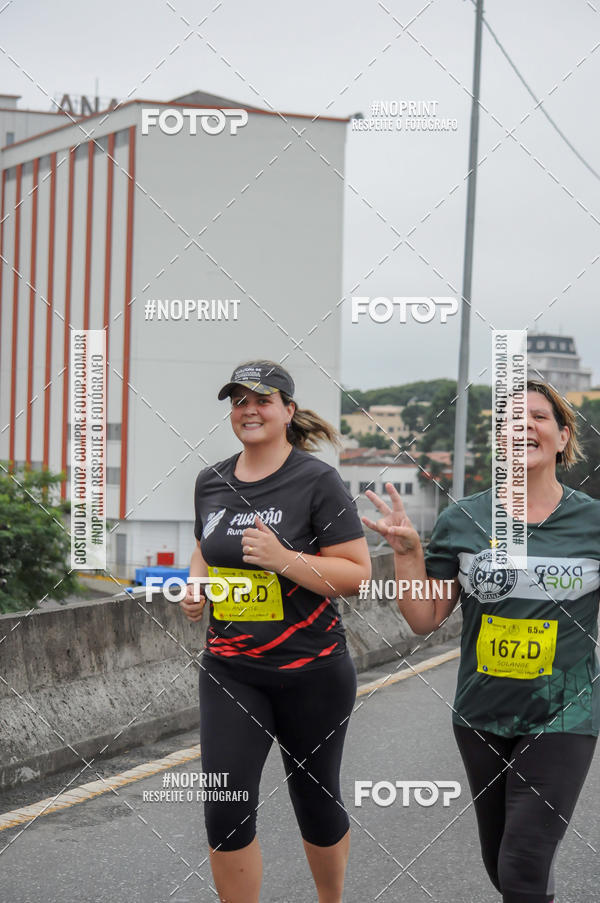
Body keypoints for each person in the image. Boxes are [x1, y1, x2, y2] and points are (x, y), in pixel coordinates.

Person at [363, 379, 599, 903]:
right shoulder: (463, 519)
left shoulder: (592, 523)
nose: (524, 428)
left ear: (563, 438)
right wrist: (407, 553)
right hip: (482, 716)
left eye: (538, 418)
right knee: (504, 863)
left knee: (522, 864)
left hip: (565, 714)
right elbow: (424, 618)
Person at [180, 360, 371, 903]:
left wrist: (284, 560)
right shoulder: (211, 481)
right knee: (225, 803)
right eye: (238, 401)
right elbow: (205, 545)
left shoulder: (316, 480)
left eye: (262, 400)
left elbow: (357, 574)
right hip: (231, 669)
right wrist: (196, 585)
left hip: (312, 670)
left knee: (314, 796)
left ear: (287, 411)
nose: (249, 409)